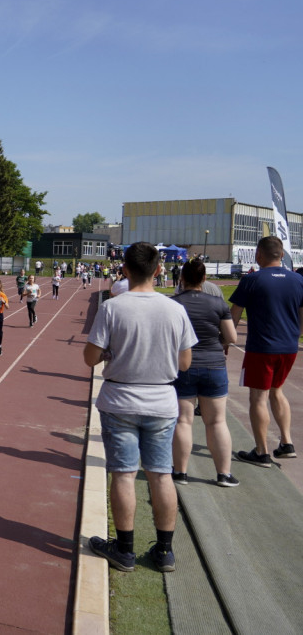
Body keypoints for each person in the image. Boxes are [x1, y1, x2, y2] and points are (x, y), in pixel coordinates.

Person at [83, 242, 196, 573]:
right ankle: (164, 551)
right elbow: (185, 362)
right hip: (161, 401)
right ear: (159, 270)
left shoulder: (113, 307)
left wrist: (110, 354)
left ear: (124, 270)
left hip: (120, 400)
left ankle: (125, 548)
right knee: (161, 474)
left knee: (124, 473)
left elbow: (90, 358)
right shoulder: (175, 309)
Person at [229, 236, 303, 466]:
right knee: (277, 390)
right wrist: (295, 335)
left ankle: (261, 452)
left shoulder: (252, 280)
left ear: (258, 255)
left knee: (258, 397)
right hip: (289, 347)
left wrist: (226, 340)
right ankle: (286, 442)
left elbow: (235, 314)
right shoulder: (298, 280)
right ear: (282, 255)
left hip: (262, 347)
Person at [171, 259, 239, 487]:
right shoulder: (217, 303)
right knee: (217, 421)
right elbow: (232, 338)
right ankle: (223, 474)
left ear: (182, 279)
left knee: (183, 420)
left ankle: (180, 473)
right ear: (204, 279)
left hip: (182, 367)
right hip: (214, 365)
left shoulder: (173, 304)